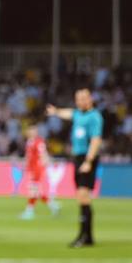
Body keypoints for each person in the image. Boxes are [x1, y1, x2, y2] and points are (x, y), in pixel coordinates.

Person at [46, 88, 103, 247]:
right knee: (80, 196)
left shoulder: (94, 117)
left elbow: (96, 140)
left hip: (86, 157)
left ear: (90, 99)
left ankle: (83, 235)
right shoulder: (79, 114)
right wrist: (56, 111)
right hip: (78, 157)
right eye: (78, 99)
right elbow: (69, 113)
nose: (80, 102)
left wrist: (89, 161)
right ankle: (89, 236)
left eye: (83, 98)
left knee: (83, 195)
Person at [18, 122, 59, 220]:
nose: (32, 132)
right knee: (36, 192)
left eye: (34, 130)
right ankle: (53, 205)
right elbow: (28, 156)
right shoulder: (29, 141)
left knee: (33, 190)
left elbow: (43, 153)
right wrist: (25, 165)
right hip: (32, 168)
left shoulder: (39, 142)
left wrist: (45, 163)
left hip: (37, 168)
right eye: (30, 130)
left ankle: (29, 212)